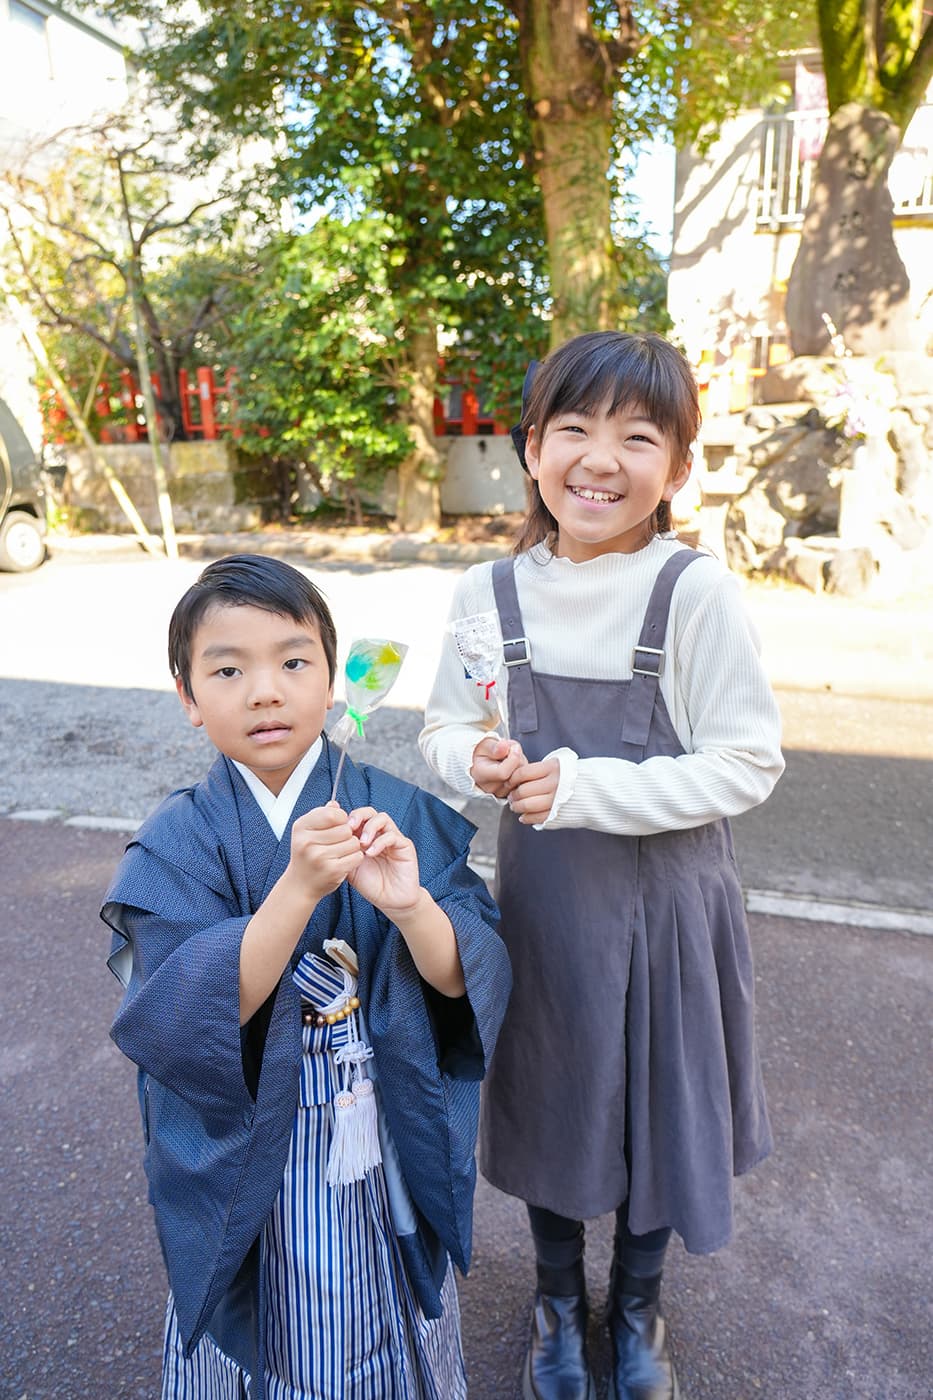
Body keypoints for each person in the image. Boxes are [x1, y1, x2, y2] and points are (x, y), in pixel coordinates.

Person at [419, 330, 784, 1400]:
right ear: (531, 447)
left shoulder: (695, 593)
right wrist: (474, 759)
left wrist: (583, 787)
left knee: (657, 1106)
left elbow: (747, 761)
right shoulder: (487, 594)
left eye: (637, 435)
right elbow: (440, 728)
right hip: (542, 908)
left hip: (673, 907)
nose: (599, 458)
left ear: (677, 467)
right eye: (572, 427)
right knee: (552, 1099)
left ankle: (634, 1305)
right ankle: (552, 1302)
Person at [102, 553, 511, 1400]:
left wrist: (408, 907)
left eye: (294, 662)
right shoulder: (179, 839)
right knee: (275, 1316)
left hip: (380, 1117)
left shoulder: (385, 809)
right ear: (187, 698)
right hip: (257, 1146)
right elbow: (178, 1015)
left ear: (335, 682)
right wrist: (297, 890)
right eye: (227, 669)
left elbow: (462, 976)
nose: (265, 691)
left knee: (386, 1295)